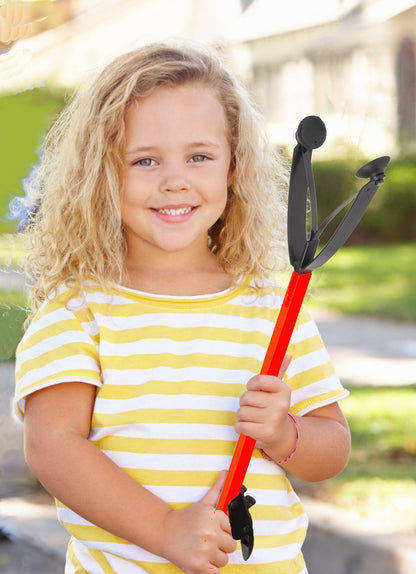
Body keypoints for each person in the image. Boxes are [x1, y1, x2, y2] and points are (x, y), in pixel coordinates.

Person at [14, 42, 351, 574]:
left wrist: (285, 434)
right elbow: (53, 448)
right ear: (101, 174)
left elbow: (331, 448)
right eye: (145, 160)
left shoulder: (271, 309)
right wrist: (166, 531)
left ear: (233, 169)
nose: (175, 179)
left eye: (199, 156)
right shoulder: (77, 312)